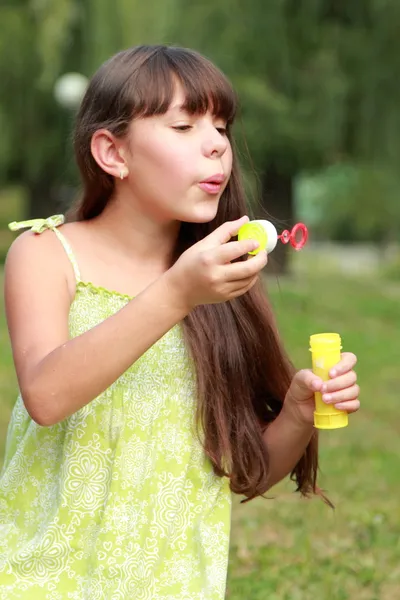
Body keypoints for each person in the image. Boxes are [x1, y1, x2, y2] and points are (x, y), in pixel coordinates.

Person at [0, 45, 360, 599]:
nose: (217, 144)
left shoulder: (216, 281)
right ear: (112, 153)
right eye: (184, 125)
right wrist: (177, 293)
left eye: (221, 125)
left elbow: (240, 473)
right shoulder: (46, 255)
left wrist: (296, 413)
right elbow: (46, 395)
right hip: (46, 580)